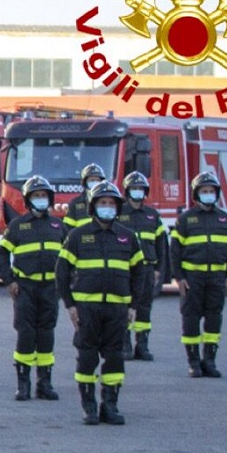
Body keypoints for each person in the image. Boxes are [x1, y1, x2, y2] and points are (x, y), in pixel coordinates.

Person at [58, 182, 149, 425]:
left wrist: (132, 306)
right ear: (92, 206)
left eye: (111, 203)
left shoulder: (127, 237)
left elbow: (140, 273)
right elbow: (62, 271)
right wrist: (70, 304)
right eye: (102, 203)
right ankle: (89, 406)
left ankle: (110, 405)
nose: (107, 207)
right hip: (87, 309)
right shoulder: (78, 236)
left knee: (115, 357)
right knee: (87, 357)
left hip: (117, 309)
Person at [0, 175, 66, 401]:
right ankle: (23, 384)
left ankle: (44, 383)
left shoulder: (58, 226)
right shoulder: (18, 226)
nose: (40, 199)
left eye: (44, 195)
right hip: (25, 288)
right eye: (36, 196)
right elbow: (1, 255)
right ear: (28, 200)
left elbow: (69, 258)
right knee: (26, 334)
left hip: (49, 289)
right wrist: (9, 280)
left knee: (46, 334)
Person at [170, 170, 227, 378]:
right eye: (204, 190)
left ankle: (209, 360)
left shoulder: (225, 220)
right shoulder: (185, 220)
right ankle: (193, 362)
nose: (208, 194)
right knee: (190, 319)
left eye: (211, 190)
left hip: (216, 279)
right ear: (196, 193)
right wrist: (179, 277)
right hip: (192, 279)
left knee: (213, 319)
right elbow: (174, 252)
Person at [115, 171, 166, 361]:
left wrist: (159, 269)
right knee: (126, 305)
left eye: (140, 189)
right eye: (134, 188)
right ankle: (125, 344)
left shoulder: (152, 215)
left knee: (144, 307)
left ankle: (142, 345)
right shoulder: (120, 213)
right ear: (127, 191)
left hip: (147, 268)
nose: (137, 192)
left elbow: (161, 245)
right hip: (126, 269)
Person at [63, 163, 109, 229]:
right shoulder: (75, 203)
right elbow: (67, 228)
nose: (95, 183)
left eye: (97, 180)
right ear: (84, 182)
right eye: (92, 180)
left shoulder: (109, 202)